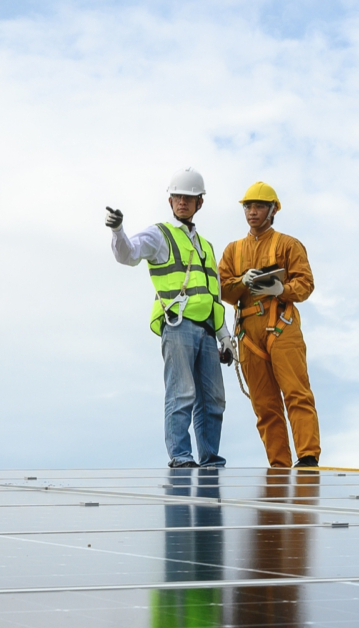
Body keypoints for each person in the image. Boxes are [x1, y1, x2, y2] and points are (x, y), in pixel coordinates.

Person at [105, 169, 227, 467]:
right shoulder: (160, 234)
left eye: (188, 198)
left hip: (208, 331)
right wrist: (118, 230)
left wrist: (226, 337)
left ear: (199, 202)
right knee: (182, 393)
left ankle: (210, 460)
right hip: (178, 325)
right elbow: (128, 254)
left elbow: (214, 296)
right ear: (170, 200)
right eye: (176, 197)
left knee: (214, 401)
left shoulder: (207, 247)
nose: (181, 202)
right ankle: (181, 457)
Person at [219, 181, 321, 468]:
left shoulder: (288, 244)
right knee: (264, 406)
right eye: (248, 207)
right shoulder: (233, 251)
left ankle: (308, 456)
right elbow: (223, 290)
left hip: (281, 324)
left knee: (296, 392)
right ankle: (279, 466)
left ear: (273, 210)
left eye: (259, 206)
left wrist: (281, 290)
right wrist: (242, 281)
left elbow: (306, 283)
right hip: (248, 332)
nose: (252, 212)